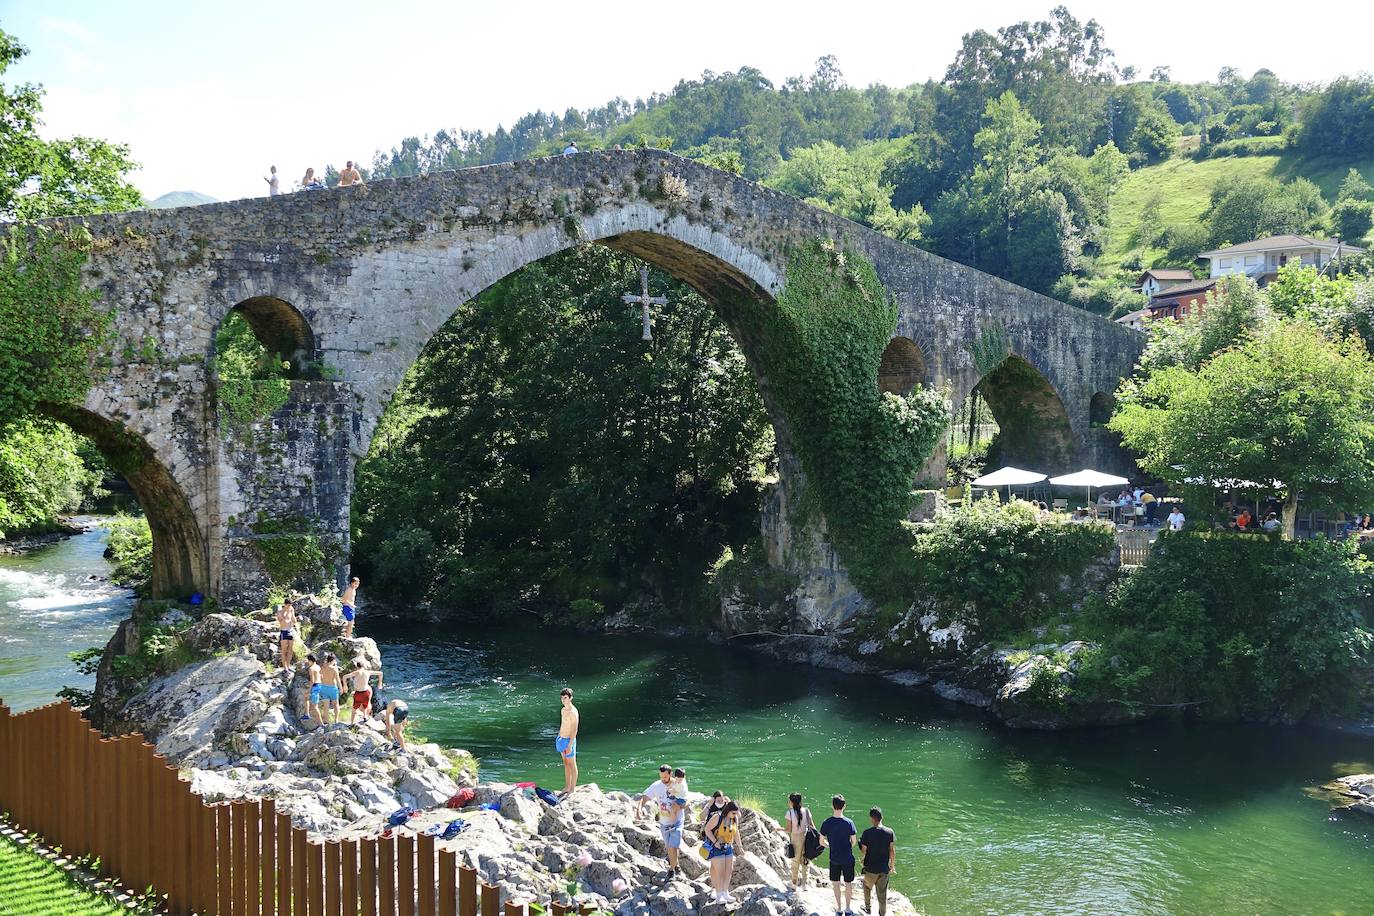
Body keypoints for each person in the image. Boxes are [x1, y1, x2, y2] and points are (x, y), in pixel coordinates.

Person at [635, 765, 685, 876]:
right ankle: (676, 866)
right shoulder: (656, 786)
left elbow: (686, 800)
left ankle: (671, 871)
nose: (663, 780)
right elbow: (645, 797)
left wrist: (678, 807)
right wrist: (639, 809)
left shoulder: (679, 784)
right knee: (669, 847)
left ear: (670, 774)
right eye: (661, 777)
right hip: (664, 822)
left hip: (677, 820)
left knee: (673, 846)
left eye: (665, 777)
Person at [819, 794, 857, 916]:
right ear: (844, 806)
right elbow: (854, 841)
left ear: (832, 806)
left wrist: (830, 845)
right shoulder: (849, 823)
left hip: (834, 858)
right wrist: (846, 846)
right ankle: (848, 909)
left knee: (835, 883)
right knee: (848, 884)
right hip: (848, 858)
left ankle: (839, 909)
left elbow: (821, 841)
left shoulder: (827, 823)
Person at [859, 807, 896, 916]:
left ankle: (867, 908)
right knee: (882, 893)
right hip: (884, 869)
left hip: (870, 868)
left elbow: (864, 851)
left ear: (871, 819)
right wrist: (892, 865)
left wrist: (860, 846)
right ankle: (882, 914)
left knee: (866, 887)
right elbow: (892, 850)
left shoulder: (867, 833)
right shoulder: (890, 832)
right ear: (882, 817)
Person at [703, 799, 741, 904]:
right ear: (728, 810)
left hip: (728, 847)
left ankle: (725, 893)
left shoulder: (734, 819)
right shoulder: (717, 817)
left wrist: (740, 847)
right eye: (733, 813)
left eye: (736, 813)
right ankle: (719, 895)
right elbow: (707, 829)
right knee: (720, 872)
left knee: (729, 871)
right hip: (716, 847)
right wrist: (715, 842)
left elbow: (736, 833)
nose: (734, 815)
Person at [777, 792, 815, 887]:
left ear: (791, 802)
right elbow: (812, 826)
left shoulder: (789, 813)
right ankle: (804, 884)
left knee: (795, 861)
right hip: (806, 837)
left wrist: (780, 829)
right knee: (805, 860)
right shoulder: (806, 811)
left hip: (795, 838)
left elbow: (789, 830)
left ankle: (794, 883)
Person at [344, 659, 383, 726]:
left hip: (358, 693)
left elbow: (345, 677)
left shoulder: (356, 672)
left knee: (354, 709)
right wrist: (380, 683)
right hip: (366, 693)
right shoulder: (368, 672)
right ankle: (365, 717)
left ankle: (352, 723)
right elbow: (380, 673)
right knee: (365, 705)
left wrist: (345, 686)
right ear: (363, 666)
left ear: (357, 667)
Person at [556, 687, 579, 797]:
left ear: (570, 698)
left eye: (565, 698)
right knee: (565, 764)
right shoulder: (563, 710)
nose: (563, 700)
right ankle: (567, 786)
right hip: (561, 739)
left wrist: (570, 745)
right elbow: (563, 725)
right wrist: (558, 737)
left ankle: (572, 788)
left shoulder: (573, 712)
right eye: (562, 698)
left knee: (572, 764)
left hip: (569, 741)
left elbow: (574, 730)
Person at [317, 652, 342, 725]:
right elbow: (337, 680)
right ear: (333, 660)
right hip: (332, 688)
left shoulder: (322, 667)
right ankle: (336, 720)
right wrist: (341, 688)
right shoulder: (334, 669)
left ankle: (326, 721)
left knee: (326, 706)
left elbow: (319, 677)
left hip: (323, 687)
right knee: (335, 704)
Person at [275, 598, 296, 669]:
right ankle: (285, 667)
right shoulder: (280, 612)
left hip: (290, 631)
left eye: (290, 605)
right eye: (288, 605)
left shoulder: (291, 610)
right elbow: (282, 622)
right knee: (284, 650)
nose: (289, 607)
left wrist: (292, 613)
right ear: (285, 604)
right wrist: (286, 613)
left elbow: (294, 621)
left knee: (290, 649)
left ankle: (288, 665)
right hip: (284, 631)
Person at [302, 652, 322, 724]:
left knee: (315, 706)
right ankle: (306, 714)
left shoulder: (311, 668)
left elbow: (312, 680)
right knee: (306, 698)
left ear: (310, 660)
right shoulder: (318, 667)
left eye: (308, 660)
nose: (308, 662)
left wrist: (308, 690)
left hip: (314, 686)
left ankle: (321, 723)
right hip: (319, 685)